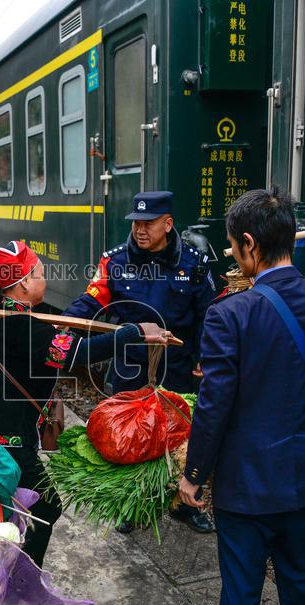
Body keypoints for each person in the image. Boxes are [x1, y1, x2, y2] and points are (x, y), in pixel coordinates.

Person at [178, 187, 305, 605]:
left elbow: (214, 406)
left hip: (247, 484)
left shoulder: (229, 314)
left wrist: (193, 474)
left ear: (249, 245)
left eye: (234, 247)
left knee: (241, 593)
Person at [0, 241, 171, 567]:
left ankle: (3, 563)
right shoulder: (27, 328)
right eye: (41, 274)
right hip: (8, 445)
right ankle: (22, 577)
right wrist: (131, 332)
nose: (45, 280)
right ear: (23, 283)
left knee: (1, 505)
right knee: (47, 508)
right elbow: (75, 353)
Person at [63, 191, 217, 534]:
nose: (139, 230)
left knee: (181, 438)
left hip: (177, 367)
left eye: (148, 223)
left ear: (168, 224)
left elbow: (209, 314)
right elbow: (90, 302)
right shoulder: (114, 262)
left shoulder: (193, 263)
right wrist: (61, 324)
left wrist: (206, 357)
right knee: (129, 436)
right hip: (130, 368)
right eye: (136, 223)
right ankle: (131, 504)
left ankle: (183, 504)